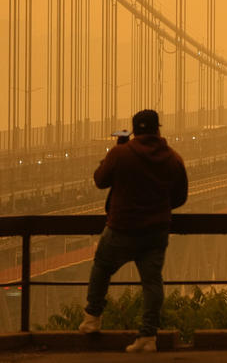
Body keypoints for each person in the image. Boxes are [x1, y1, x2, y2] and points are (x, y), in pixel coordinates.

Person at [79, 109, 188, 353]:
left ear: (134, 130)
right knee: (152, 282)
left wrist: (114, 151)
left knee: (101, 268)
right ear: (158, 129)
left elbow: (100, 180)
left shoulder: (120, 154)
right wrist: (158, 208)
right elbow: (181, 197)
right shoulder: (173, 158)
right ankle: (148, 337)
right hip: (155, 232)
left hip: (121, 229)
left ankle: (92, 319)